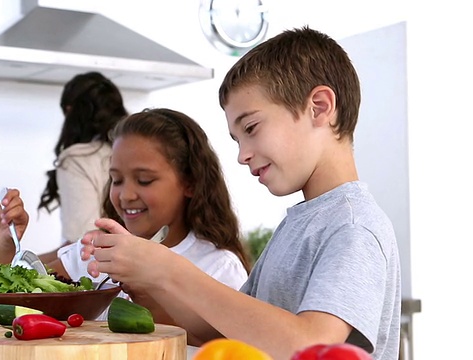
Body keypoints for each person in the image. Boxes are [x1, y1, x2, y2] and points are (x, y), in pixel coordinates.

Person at [80, 26, 401, 360]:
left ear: (319, 107)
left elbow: (311, 347)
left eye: (251, 128)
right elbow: (225, 333)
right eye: (237, 139)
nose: (242, 154)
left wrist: (168, 268)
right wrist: (145, 283)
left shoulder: (353, 226)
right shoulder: (297, 224)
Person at [0, 108, 251, 341]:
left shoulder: (219, 267)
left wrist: (147, 292)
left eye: (145, 180)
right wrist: (2, 246)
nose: (125, 195)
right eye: (116, 179)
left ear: (190, 183)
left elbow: (224, 349)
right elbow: (7, 309)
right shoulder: (93, 254)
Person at [37, 71, 128, 258]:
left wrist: (23, 265)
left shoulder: (77, 160)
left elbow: (82, 242)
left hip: (100, 272)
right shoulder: (132, 150)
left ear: (70, 111)